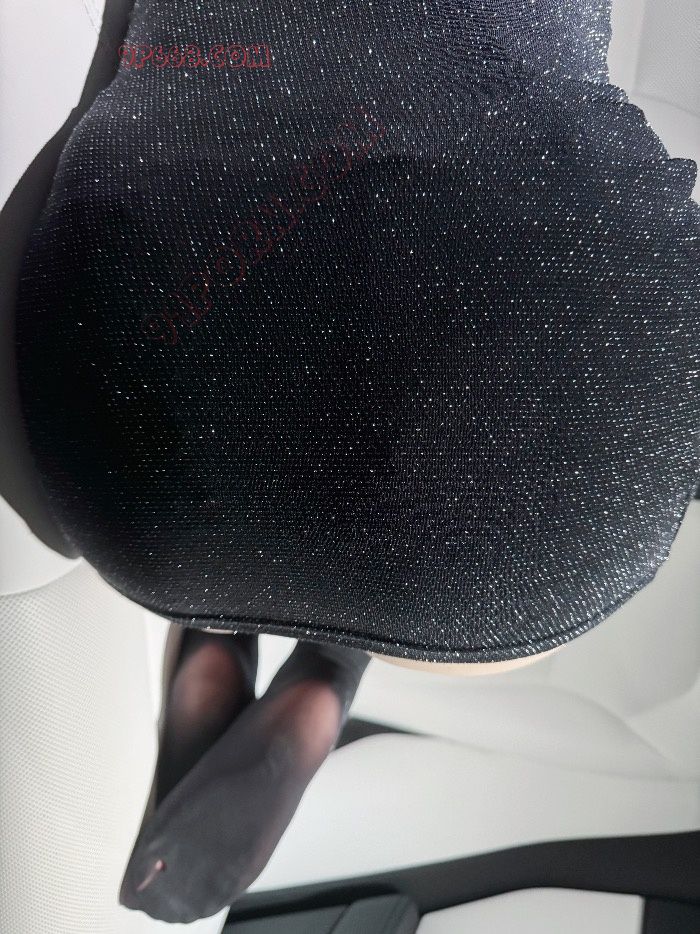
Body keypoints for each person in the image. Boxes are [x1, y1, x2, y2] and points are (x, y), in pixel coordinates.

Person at [9, 0, 699, 923]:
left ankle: (242, 618)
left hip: (119, 433)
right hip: (506, 545)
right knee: (461, 410)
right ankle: (321, 664)